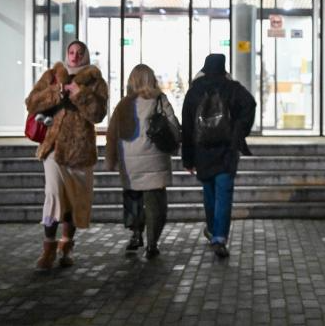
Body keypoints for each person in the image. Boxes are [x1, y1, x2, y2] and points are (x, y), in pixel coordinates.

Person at [25, 40, 108, 271]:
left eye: (79, 52)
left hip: (80, 151)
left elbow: (98, 115)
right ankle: (48, 249)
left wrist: (81, 95)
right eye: (71, 52)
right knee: (53, 195)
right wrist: (56, 93)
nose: (75, 56)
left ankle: (67, 246)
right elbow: (31, 102)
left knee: (74, 200)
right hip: (54, 148)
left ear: (86, 55)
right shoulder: (53, 75)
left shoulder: (95, 80)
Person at [181, 54, 256, 259]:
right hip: (226, 151)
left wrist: (188, 159)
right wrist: (238, 132)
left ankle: (213, 229)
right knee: (224, 193)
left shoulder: (194, 91)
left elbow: (187, 128)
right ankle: (219, 238)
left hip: (202, 151)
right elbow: (250, 105)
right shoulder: (232, 88)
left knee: (209, 193)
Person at [104, 64, 180, 259]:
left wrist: (111, 159)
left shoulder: (124, 104)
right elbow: (173, 125)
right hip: (155, 161)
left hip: (130, 162)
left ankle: (136, 234)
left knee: (133, 200)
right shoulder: (160, 100)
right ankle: (152, 244)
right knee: (155, 205)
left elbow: (112, 133)